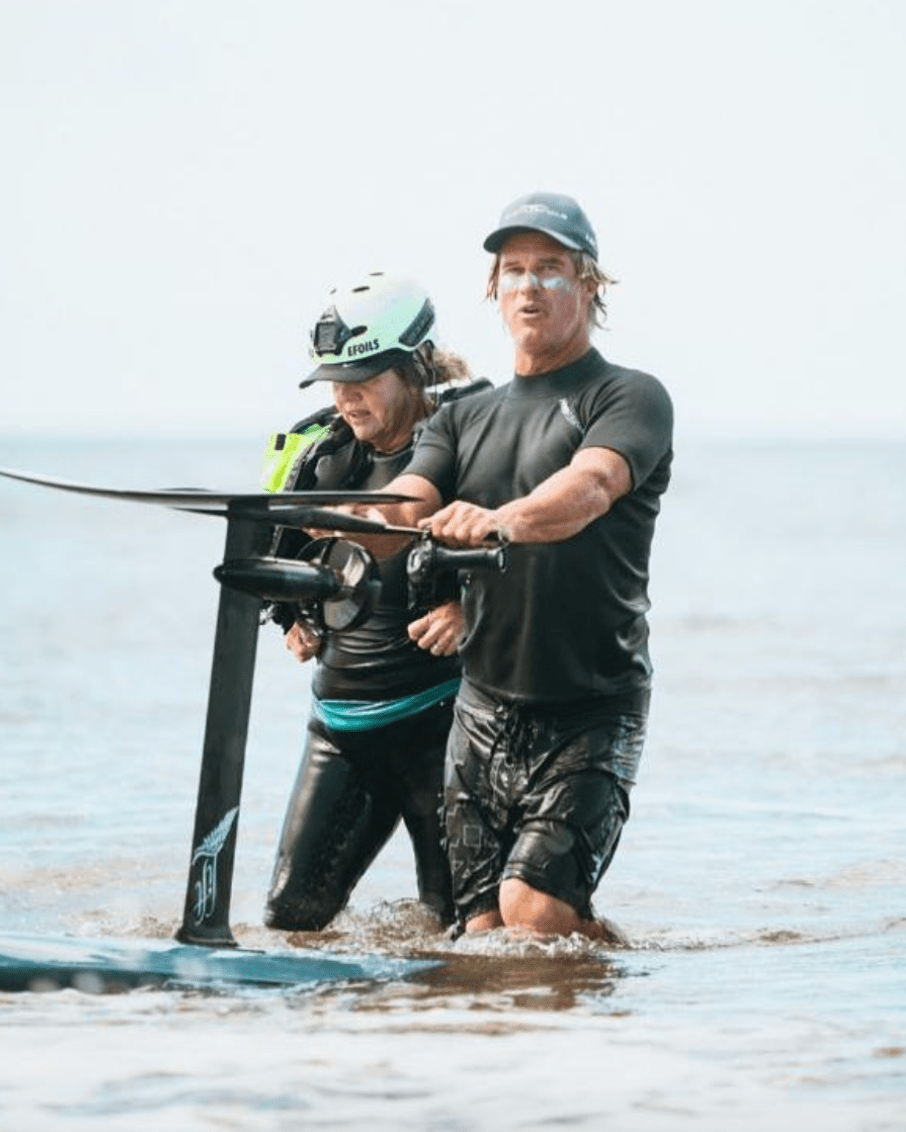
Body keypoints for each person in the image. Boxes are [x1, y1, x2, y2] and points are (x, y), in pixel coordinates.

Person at [381, 192, 674, 938]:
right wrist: (332, 523)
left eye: (550, 268)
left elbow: (592, 486)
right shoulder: (461, 417)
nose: (529, 286)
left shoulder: (629, 396)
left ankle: (623, 1003)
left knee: (532, 912)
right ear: (494, 289)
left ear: (588, 286)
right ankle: (527, 1048)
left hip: (591, 705)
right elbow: (404, 506)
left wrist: (499, 521)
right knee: (479, 935)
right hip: (481, 708)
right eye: (513, 270)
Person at [259, 271, 486, 932]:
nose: (347, 398)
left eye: (364, 379)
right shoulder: (322, 455)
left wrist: (471, 611)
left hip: (446, 728)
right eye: (336, 381)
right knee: (291, 920)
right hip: (342, 727)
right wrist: (292, 617)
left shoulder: (470, 441)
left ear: (415, 367)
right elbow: (282, 555)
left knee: (464, 935)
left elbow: (534, 554)